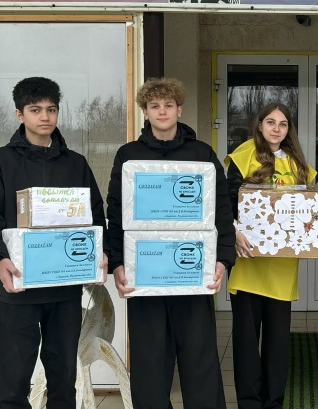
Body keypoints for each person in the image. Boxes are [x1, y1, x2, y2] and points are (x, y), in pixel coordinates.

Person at [106, 78, 235, 409]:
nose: (161, 111)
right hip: (145, 276)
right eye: (154, 106)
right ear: (145, 112)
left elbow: (222, 210)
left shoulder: (201, 154)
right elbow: (116, 212)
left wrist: (223, 260)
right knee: (149, 362)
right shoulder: (129, 155)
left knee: (200, 359)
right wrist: (117, 263)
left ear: (179, 110)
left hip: (191, 273)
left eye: (168, 105)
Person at [0, 76, 107, 408]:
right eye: (35, 110)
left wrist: (100, 253)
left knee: (63, 381)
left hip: (64, 289)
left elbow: (95, 217)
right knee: (13, 384)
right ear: (19, 114)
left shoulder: (75, 164)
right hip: (17, 288)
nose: (45, 116)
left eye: (51, 109)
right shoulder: (1, 161)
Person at [226, 102, 316, 409]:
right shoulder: (243, 156)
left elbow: (309, 210)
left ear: (289, 130)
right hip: (248, 261)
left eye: (283, 124)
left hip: (281, 265)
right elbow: (226, 202)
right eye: (271, 122)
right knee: (246, 340)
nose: (276, 129)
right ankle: (249, 402)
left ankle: (274, 401)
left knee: (278, 341)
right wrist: (234, 231)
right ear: (260, 125)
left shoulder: (298, 165)